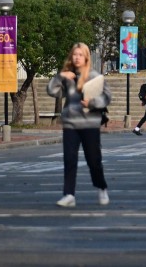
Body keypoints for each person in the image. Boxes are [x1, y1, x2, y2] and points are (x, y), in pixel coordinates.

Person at [46, 42, 112, 207]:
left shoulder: (94, 76)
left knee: (93, 160)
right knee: (69, 159)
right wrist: (60, 77)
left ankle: (101, 187)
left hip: (90, 123)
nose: (77, 58)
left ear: (86, 57)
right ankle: (69, 194)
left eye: (80, 55)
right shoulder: (68, 76)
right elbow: (52, 92)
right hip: (71, 123)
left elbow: (107, 97)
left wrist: (92, 102)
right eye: (74, 54)